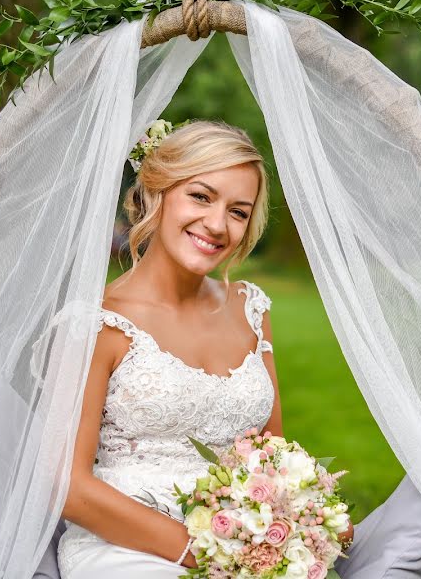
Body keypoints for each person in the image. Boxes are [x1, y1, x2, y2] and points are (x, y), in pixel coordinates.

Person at [55, 119, 355, 577]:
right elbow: (69, 487)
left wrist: (308, 516)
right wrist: (207, 552)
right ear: (157, 191)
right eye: (200, 196)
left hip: (243, 550)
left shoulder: (251, 308)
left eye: (238, 211)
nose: (217, 225)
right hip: (127, 549)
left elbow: (270, 456)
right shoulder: (97, 322)